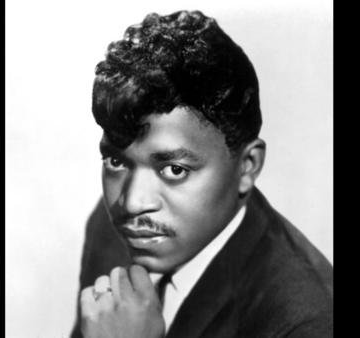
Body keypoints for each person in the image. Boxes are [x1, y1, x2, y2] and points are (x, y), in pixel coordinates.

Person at [71, 10, 333, 338]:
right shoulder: (111, 230)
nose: (133, 202)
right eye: (117, 162)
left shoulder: (307, 320)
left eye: (175, 170)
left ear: (248, 166)